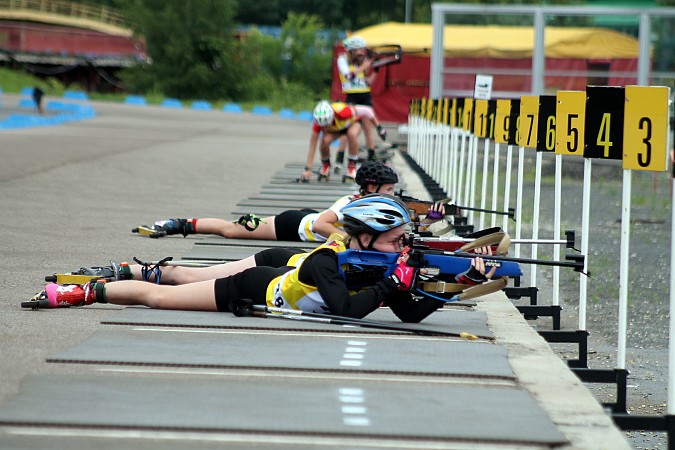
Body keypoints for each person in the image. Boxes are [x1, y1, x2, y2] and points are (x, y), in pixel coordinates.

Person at [40, 194, 496, 321]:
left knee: (174, 288)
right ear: (366, 238)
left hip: (283, 279)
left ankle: (112, 280)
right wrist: (393, 282)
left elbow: (410, 314)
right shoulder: (328, 261)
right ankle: (88, 291)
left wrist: (459, 286)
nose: (403, 249)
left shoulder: (375, 265)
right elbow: (348, 311)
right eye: (396, 241)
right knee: (162, 298)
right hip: (256, 284)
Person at [138, 161, 400, 242]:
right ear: (372, 187)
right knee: (231, 229)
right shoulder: (349, 202)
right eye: (389, 190)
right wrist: (347, 240)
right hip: (293, 224)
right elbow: (322, 225)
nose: (392, 196)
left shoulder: (375, 205)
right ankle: (176, 224)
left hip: (305, 218)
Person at [334, 35, 386, 166]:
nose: (362, 53)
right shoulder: (342, 59)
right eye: (359, 50)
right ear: (351, 51)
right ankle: (339, 158)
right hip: (351, 96)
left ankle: (371, 156)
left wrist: (375, 71)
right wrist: (365, 65)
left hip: (364, 95)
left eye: (363, 51)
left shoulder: (360, 62)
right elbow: (349, 76)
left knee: (368, 129)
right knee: (348, 130)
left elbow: (367, 83)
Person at [301, 100, 363, 183]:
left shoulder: (344, 112)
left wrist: (378, 126)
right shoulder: (318, 123)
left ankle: (351, 167)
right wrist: (308, 169)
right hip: (335, 129)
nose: (324, 127)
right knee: (324, 141)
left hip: (350, 124)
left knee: (352, 135)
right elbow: (312, 145)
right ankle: (326, 165)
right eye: (323, 126)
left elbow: (366, 111)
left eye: (326, 124)